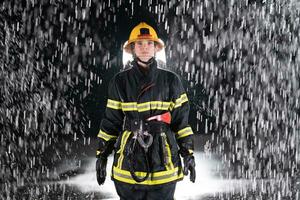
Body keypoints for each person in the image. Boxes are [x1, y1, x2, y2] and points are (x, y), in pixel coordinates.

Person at [95, 22, 196, 200]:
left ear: (156, 48)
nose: (145, 48)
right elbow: (111, 122)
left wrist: (188, 153)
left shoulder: (171, 80)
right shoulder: (119, 82)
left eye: (149, 43)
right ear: (132, 48)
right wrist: (102, 155)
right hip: (129, 159)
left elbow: (181, 123)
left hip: (163, 157)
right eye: (139, 44)